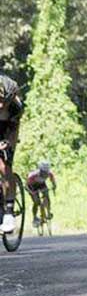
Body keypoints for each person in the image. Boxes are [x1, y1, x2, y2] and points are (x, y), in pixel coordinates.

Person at [0, 75, 22, 233]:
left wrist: (8, 144)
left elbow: (14, 131)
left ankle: (9, 211)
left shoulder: (16, 107)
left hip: (6, 131)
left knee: (4, 165)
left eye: (4, 101)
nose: (1, 105)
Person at [26, 161, 57, 228]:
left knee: (46, 195)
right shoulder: (33, 175)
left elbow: (53, 181)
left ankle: (48, 212)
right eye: (43, 172)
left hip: (41, 184)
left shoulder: (49, 173)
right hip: (32, 186)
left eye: (46, 172)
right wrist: (32, 193)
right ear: (40, 170)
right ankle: (34, 217)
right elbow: (27, 186)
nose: (44, 173)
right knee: (36, 202)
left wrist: (54, 186)